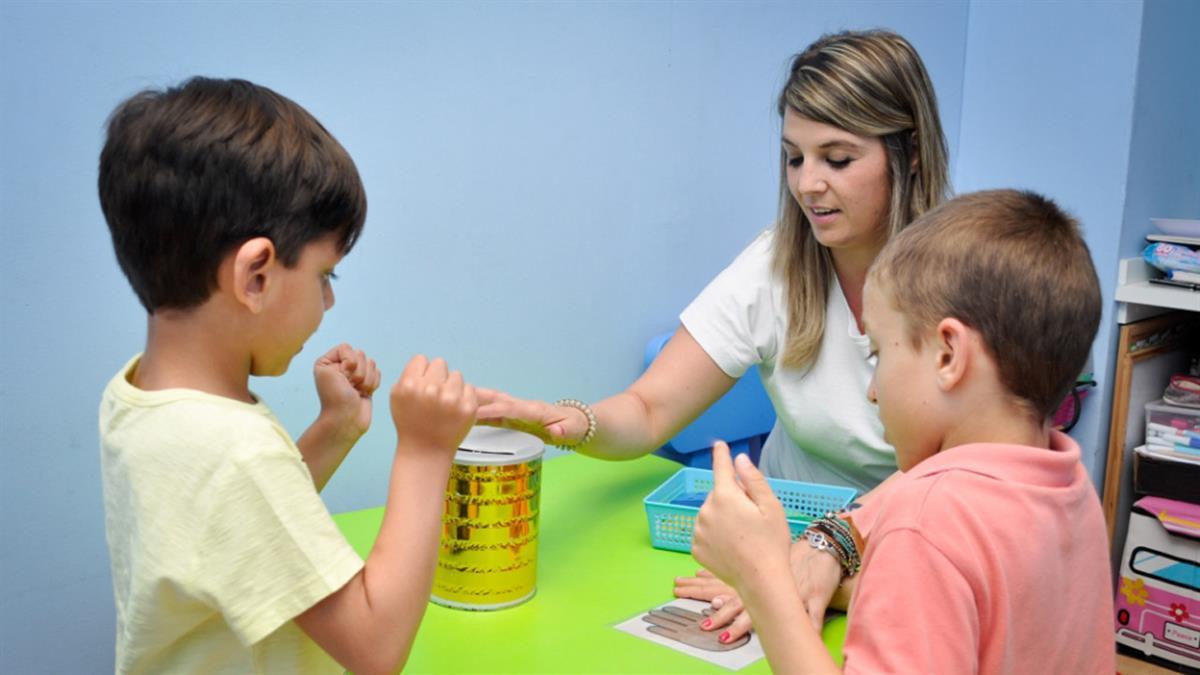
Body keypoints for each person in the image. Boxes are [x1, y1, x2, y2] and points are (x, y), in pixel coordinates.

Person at [476, 29, 949, 639]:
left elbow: (964, 496)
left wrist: (817, 569)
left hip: (902, 560)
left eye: (837, 159)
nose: (807, 184)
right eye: (793, 156)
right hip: (780, 547)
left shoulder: (965, 281)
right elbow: (648, 409)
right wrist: (568, 421)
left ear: (908, 154)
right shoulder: (777, 262)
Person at [97, 77, 477, 674]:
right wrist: (426, 452)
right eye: (327, 275)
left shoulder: (141, 396)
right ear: (256, 276)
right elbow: (376, 649)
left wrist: (334, 430)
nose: (328, 302)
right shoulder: (235, 449)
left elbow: (230, 530)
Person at [692, 189, 1114, 673]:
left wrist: (762, 581)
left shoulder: (923, 524)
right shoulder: (1071, 486)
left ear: (948, 356)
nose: (873, 391)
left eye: (879, 354)